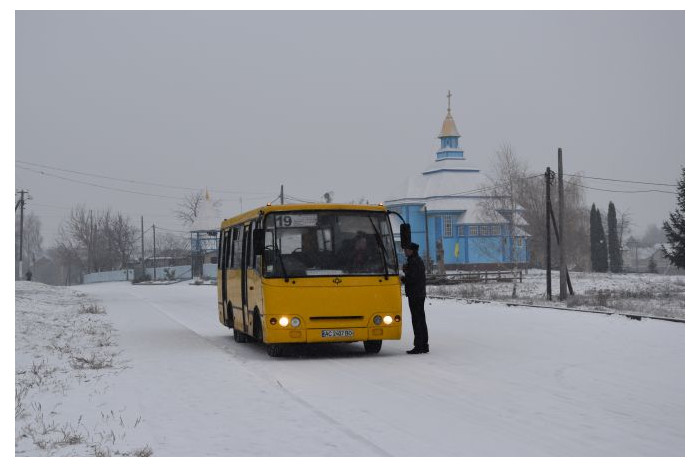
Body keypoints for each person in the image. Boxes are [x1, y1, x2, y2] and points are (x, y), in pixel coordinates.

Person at [401, 242, 429, 354]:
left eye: (406, 250)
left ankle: (419, 346)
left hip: (415, 294)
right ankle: (424, 344)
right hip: (419, 293)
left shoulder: (414, 262)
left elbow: (412, 278)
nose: (405, 252)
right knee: (421, 319)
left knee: (417, 320)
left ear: (412, 251)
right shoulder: (417, 260)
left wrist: (403, 278)